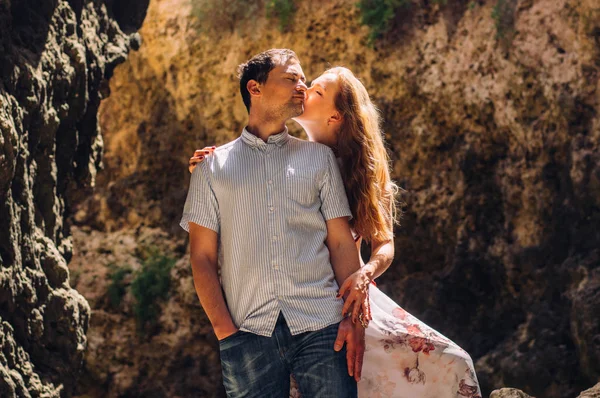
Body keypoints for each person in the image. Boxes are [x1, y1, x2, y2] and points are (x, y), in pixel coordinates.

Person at [189, 60, 483, 397]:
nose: (303, 89)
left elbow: (384, 243)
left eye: (315, 90)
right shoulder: (290, 156)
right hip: (292, 310)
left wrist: (365, 275)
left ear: (334, 117)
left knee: (450, 363)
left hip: (349, 299)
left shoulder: (360, 170)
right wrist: (209, 169)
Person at [180, 49, 367, 398]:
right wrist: (226, 333)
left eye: (304, 79)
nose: (303, 85)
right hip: (247, 333)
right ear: (255, 88)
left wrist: (353, 322)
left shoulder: (320, 158)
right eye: (291, 78)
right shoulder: (210, 169)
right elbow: (201, 258)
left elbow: (341, 242)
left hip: (323, 326)